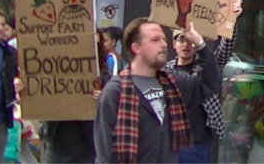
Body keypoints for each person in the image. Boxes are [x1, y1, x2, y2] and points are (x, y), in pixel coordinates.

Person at [93, 18, 219, 163]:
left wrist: (200, 44)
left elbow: (208, 84)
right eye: (155, 40)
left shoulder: (172, 82)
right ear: (136, 48)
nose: (164, 44)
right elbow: (106, 155)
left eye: (164, 39)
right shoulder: (114, 91)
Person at [164, 0, 242, 163]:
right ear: (173, 44)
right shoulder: (165, 71)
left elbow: (226, 48)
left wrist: (232, 19)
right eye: (181, 40)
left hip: (196, 143)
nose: (186, 45)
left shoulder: (207, 67)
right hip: (169, 142)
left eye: (190, 41)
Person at [41, 29, 112, 163]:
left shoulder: (103, 77)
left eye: (94, 44)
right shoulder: (52, 74)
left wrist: (102, 99)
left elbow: (111, 110)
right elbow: (38, 95)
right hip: (57, 143)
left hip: (88, 146)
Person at [0, 8, 24, 164]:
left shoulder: (10, 53)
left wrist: (17, 86)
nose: (1, 28)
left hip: (0, 118)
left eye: (3, 24)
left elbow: (17, 78)